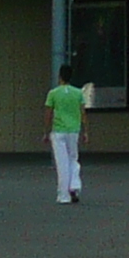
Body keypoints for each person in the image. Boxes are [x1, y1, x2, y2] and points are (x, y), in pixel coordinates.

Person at [45, 65, 87, 204]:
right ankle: (74, 186)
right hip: (73, 130)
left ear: (60, 77)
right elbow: (83, 113)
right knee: (73, 159)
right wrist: (85, 131)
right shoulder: (78, 93)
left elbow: (48, 114)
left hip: (58, 131)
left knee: (62, 163)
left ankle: (63, 195)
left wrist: (46, 131)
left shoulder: (53, 93)